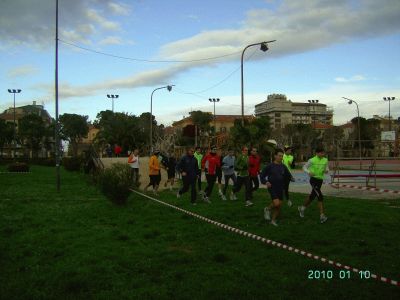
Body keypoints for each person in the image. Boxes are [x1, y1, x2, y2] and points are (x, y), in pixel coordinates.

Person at [260, 149, 292, 226]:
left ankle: (273, 220)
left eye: (282, 156)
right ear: (275, 156)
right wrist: (266, 182)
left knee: (278, 205)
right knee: (276, 203)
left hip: (280, 188)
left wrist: (291, 178)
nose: (281, 157)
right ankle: (267, 209)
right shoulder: (270, 166)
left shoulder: (283, 166)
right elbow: (262, 176)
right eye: (279, 156)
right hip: (272, 187)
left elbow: (288, 175)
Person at [298, 147, 330, 223]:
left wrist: (326, 170)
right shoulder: (312, 160)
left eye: (323, 153)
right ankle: (322, 216)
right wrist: (309, 172)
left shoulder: (325, 160)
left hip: (320, 180)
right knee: (320, 196)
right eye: (321, 153)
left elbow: (327, 168)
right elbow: (304, 167)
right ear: (317, 153)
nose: (323, 154)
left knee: (312, 196)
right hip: (313, 180)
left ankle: (302, 208)